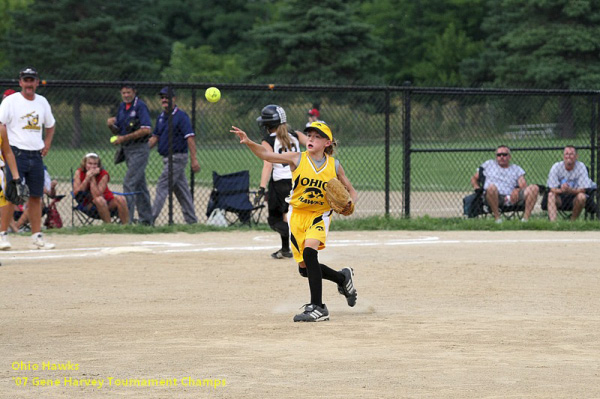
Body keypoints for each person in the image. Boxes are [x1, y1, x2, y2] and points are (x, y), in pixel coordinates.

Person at [231, 121, 358, 322]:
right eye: (310, 135)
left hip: (319, 215)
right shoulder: (297, 159)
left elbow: (350, 191)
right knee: (304, 270)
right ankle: (342, 278)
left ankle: (318, 307)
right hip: (297, 216)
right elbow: (266, 155)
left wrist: (350, 204)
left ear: (327, 143)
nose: (311, 139)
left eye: (317, 137)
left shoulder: (334, 165)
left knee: (310, 253)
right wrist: (248, 142)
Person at [0, 66, 56, 249]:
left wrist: (47, 143)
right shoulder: (11, 101)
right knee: (13, 195)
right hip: (16, 153)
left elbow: (50, 125)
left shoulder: (42, 102)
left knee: (36, 196)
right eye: (26, 80)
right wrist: (6, 148)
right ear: (20, 82)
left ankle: (36, 236)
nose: (29, 83)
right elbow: (1, 125)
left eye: (32, 80)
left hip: (36, 154)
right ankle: (2, 235)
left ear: (37, 82)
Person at [255, 104, 306, 259]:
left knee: (274, 219)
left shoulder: (268, 140)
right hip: (298, 180)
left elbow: (268, 163)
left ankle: (296, 239)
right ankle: (285, 249)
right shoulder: (295, 134)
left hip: (280, 183)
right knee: (289, 215)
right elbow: (311, 147)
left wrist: (261, 188)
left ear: (268, 125)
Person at [149, 87, 200, 224]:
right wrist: (142, 151)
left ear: (174, 99)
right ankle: (192, 221)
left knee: (162, 186)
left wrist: (194, 160)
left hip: (177, 158)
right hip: (167, 159)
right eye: (162, 97)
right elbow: (155, 137)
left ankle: (150, 219)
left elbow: (190, 138)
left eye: (167, 97)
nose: (164, 100)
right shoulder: (161, 117)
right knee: (182, 191)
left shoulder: (181, 116)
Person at [107, 83, 153, 225]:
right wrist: (111, 126)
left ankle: (126, 221)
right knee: (140, 185)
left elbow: (146, 130)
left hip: (139, 149)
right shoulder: (122, 107)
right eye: (123, 93)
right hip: (127, 150)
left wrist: (123, 138)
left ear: (134, 92)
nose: (126, 95)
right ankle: (146, 221)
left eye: (128, 92)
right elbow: (119, 131)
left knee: (129, 183)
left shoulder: (140, 106)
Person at [471, 145, 539, 223]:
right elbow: (474, 178)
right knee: (491, 188)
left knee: (534, 188)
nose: (501, 157)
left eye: (504, 154)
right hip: (494, 196)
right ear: (496, 157)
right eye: (499, 155)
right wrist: (476, 187)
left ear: (509, 156)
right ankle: (497, 219)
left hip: (513, 197)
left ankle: (525, 220)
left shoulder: (516, 168)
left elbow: (523, 185)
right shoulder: (488, 164)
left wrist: (517, 190)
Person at [73, 153, 129, 224]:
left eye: (95, 164)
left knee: (121, 198)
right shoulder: (78, 172)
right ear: (84, 164)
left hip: (107, 202)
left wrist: (92, 178)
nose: (92, 166)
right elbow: (77, 192)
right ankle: (109, 226)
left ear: (98, 165)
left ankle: (126, 226)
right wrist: (87, 178)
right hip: (89, 205)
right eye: (90, 163)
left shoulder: (104, 174)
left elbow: (96, 194)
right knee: (99, 200)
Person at [545, 146, 595, 221]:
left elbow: (583, 189)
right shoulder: (556, 167)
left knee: (582, 196)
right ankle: (553, 224)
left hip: (575, 197)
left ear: (576, 156)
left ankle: (572, 222)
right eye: (566, 154)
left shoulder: (581, 167)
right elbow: (552, 188)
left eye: (571, 154)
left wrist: (570, 190)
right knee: (551, 195)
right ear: (563, 156)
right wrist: (562, 190)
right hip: (560, 197)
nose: (568, 156)